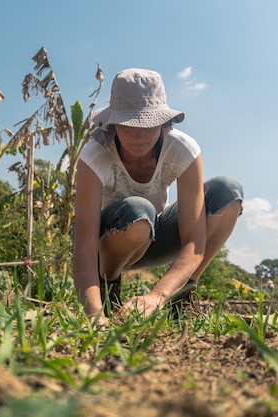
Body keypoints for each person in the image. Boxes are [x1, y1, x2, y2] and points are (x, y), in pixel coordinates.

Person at [72, 68, 243, 323]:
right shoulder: (94, 157)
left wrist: (158, 295)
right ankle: (109, 286)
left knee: (227, 192)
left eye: (148, 124)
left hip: (153, 236)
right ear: (113, 123)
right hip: (106, 247)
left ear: (163, 122)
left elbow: (194, 242)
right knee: (139, 211)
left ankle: (182, 294)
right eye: (129, 124)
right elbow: (84, 248)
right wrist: (94, 314)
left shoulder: (183, 150)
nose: (138, 135)